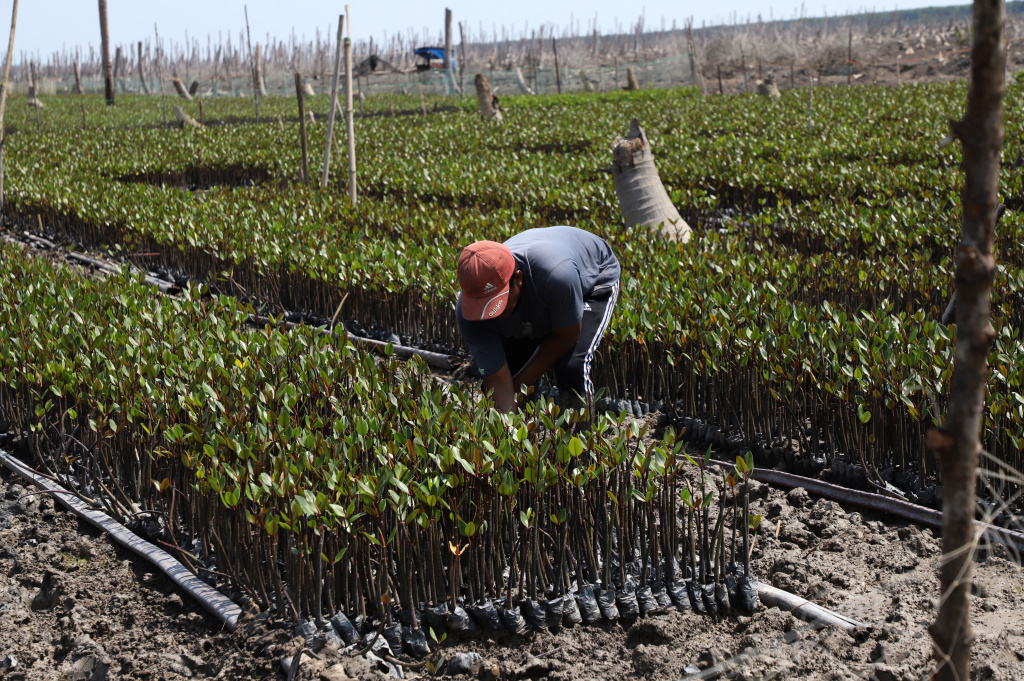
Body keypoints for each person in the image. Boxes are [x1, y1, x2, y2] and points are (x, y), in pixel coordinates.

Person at [456, 226, 621, 413]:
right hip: (544, 288)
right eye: (483, 308)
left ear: (518, 280)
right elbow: (497, 380)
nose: (492, 315)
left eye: (497, 304)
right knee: (510, 370)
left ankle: (580, 435)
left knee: (571, 366)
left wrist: (519, 385)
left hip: (593, 276)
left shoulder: (557, 276)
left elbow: (566, 337)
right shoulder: (467, 314)